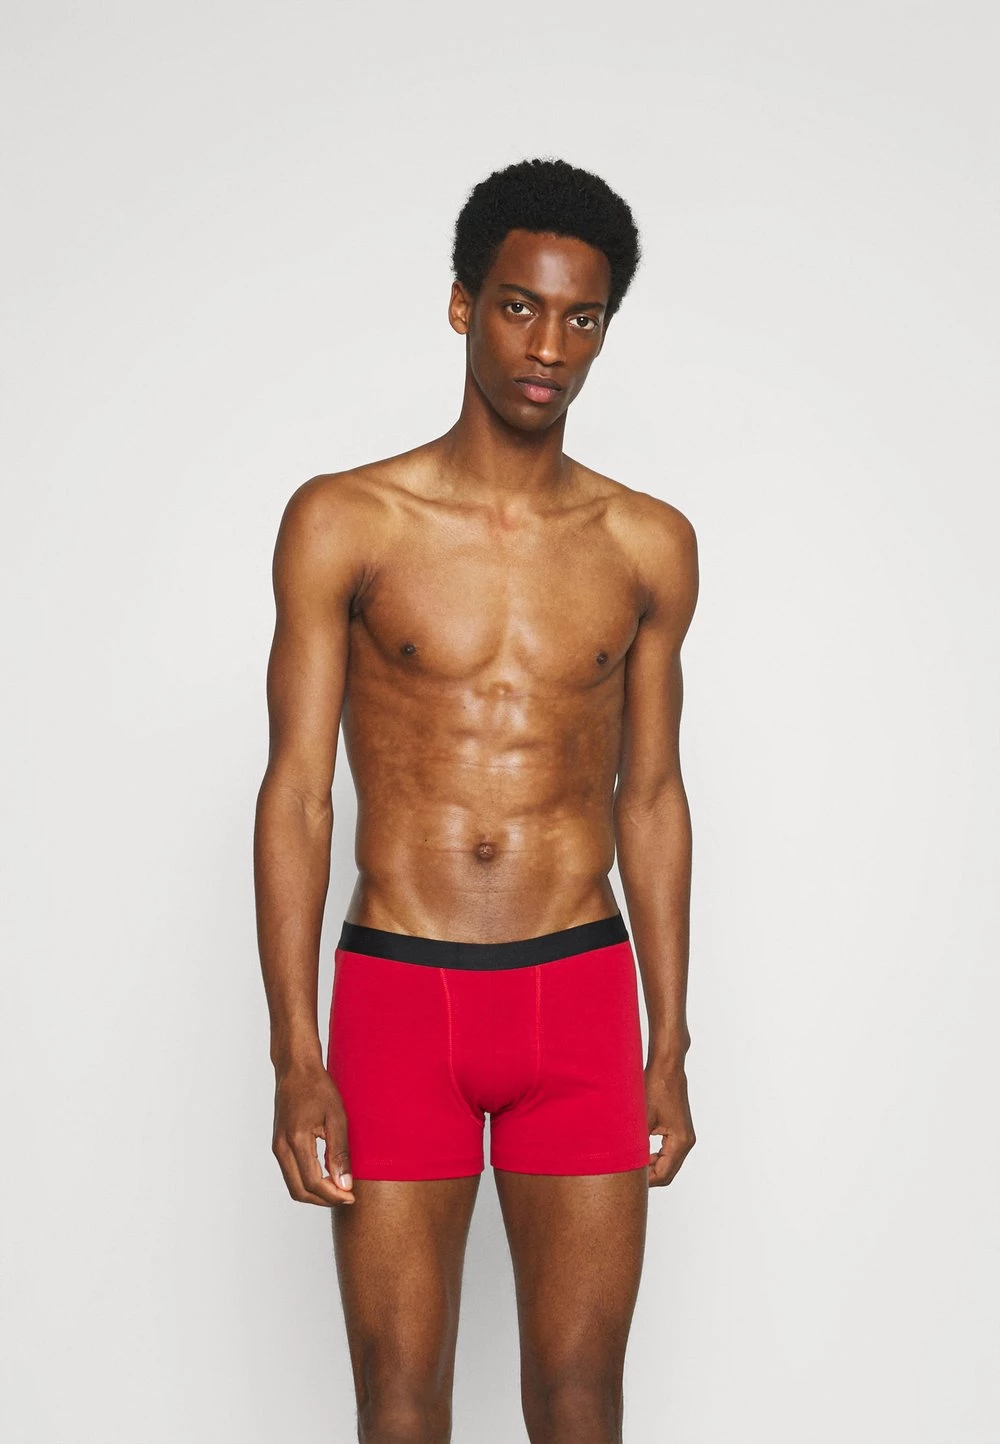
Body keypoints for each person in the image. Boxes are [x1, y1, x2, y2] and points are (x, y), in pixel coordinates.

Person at [254, 156, 699, 1444]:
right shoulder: (346, 521)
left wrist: (668, 1043)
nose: (547, 346)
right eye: (519, 307)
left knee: (580, 1401)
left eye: (581, 318)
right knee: (399, 1405)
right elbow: (297, 795)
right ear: (463, 305)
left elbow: (652, 797)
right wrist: (296, 1056)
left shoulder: (646, 543)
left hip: (579, 992)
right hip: (401, 990)